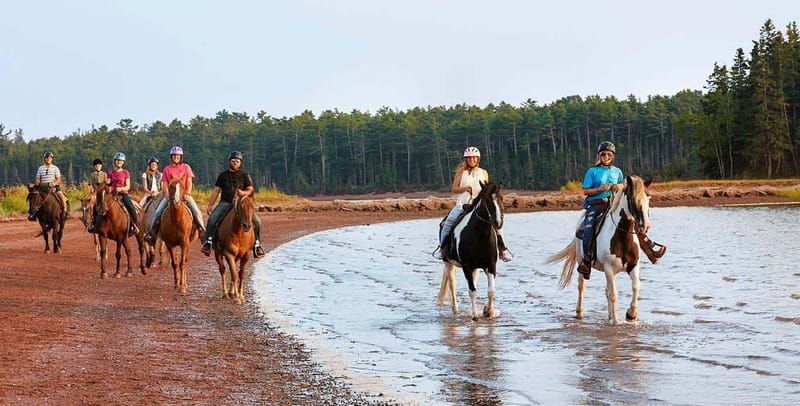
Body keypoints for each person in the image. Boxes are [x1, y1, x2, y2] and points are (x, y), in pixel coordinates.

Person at [433, 146, 513, 262]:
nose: (472, 160)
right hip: (463, 204)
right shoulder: (461, 173)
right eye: (469, 158)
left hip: (479, 205)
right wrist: (465, 188)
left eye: (474, 158)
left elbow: (487, 189)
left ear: (478, 159)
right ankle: (442, 248)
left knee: (497, 223)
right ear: (466, 160)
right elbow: (454, 189)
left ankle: (502, 250)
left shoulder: (483, 173)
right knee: (447, 223)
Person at [200, 151, 266, 258]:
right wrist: (210, 205)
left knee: (257, 222)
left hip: (241, 205)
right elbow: (216, 190)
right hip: (225, 203)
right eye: (233, 161)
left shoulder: (245, 175)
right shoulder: (223, 175)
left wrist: (243, 193)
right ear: (229, 162)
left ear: (240, 163)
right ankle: (208, 242)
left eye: (237, 161)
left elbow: (250, 189)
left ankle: (257, 245)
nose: (235, 163)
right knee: (212, 219)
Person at [576, 141, 624, 279]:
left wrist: (618, 187)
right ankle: (586, 260)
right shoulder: (592, 171)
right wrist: (599, 189)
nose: (606, 156)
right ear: (599, 155)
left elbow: (622, 185)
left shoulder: (617, 171)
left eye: (609, 154)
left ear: (613, 156)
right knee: (589, 227)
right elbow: (585, 191)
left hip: (612, 204)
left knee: (630, 219)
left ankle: (643, 249)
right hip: (596, 205)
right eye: (603, 154)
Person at [144, 146, 205, 244]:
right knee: (158, 212)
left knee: (197, 211)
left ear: (181, 157)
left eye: (178, 155)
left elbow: (189, 182)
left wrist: (188, 193)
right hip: (170, 196)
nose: (176, 157)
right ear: (171, 156)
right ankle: (152, 233)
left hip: (184, 195)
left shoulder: (186, 167)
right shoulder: (167, 169)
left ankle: (202, 232)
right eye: (174, 155)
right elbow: (164, 184)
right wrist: (167, 195)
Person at [93, 152, 139, 235]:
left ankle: (134, 226)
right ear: (115, 161)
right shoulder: (110, 172)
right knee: (97, 205)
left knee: (131, 207)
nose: (119, 162)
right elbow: (108, 183)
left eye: (121, 161)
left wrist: (120, 188)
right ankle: (94, 225)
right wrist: (108, 184)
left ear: (123, 162)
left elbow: (128, 186)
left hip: (123, 193)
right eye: (118, 160)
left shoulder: (126, 173)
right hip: (112, 194)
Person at [34, 151, 68, 216]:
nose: (48, 159)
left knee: (61, 195)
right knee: (34, 196)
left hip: (53, 186)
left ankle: (64, 210)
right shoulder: (40, 168)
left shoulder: (55, 168)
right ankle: (34, 213)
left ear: (52, 159)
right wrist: (37, 183)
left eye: (49, 158)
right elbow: (37, 178)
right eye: (47, 158)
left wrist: (54, 184)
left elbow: (58, 179)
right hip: (43, 187)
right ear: (44, 159)